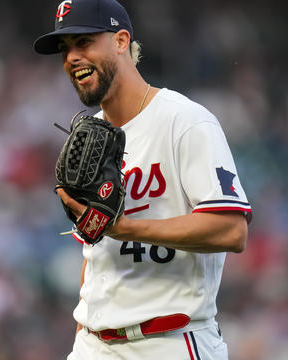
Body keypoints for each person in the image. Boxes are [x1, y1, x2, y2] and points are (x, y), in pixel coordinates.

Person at [33, 0, 253, 359]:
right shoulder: (90, 139)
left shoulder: (184, 120)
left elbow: (231, 230)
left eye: (83, 42)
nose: (71, 57)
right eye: (64, 48)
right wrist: (81, 335)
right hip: (93, 344)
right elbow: (96, 254)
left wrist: (126, 228)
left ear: (121, 41)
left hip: (170, 340)